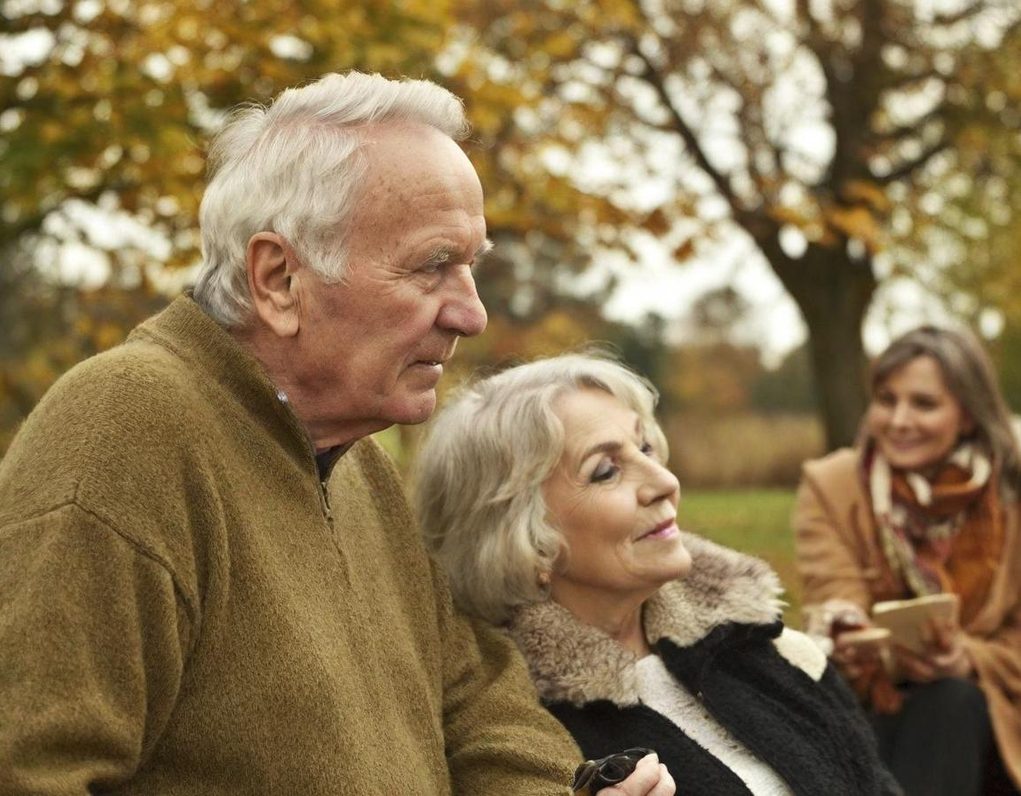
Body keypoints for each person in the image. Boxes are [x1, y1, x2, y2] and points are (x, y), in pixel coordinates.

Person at [0, 72, 672, 795]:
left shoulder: (360, 469)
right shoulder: (125, 429)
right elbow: (34, 772)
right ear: (279, 279)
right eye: (432, 266)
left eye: (470, 265)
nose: (470, 315)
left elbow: (473, 707)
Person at [414, 352, 900, 795]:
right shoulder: (514, 727)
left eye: (645, 449)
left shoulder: (770, 647)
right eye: (606, 471)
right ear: (522, 538)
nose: (665, 482)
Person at [794, 325, 1021, 795]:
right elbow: (835, 593)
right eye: (885, 398)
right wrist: (855, 637)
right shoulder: (832, 485)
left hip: (998, 718)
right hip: (873, 706)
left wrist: (967, 660)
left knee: (952, 699)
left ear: (969, 415)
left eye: (924, 403)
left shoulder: (1012, 492)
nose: (898, 420)